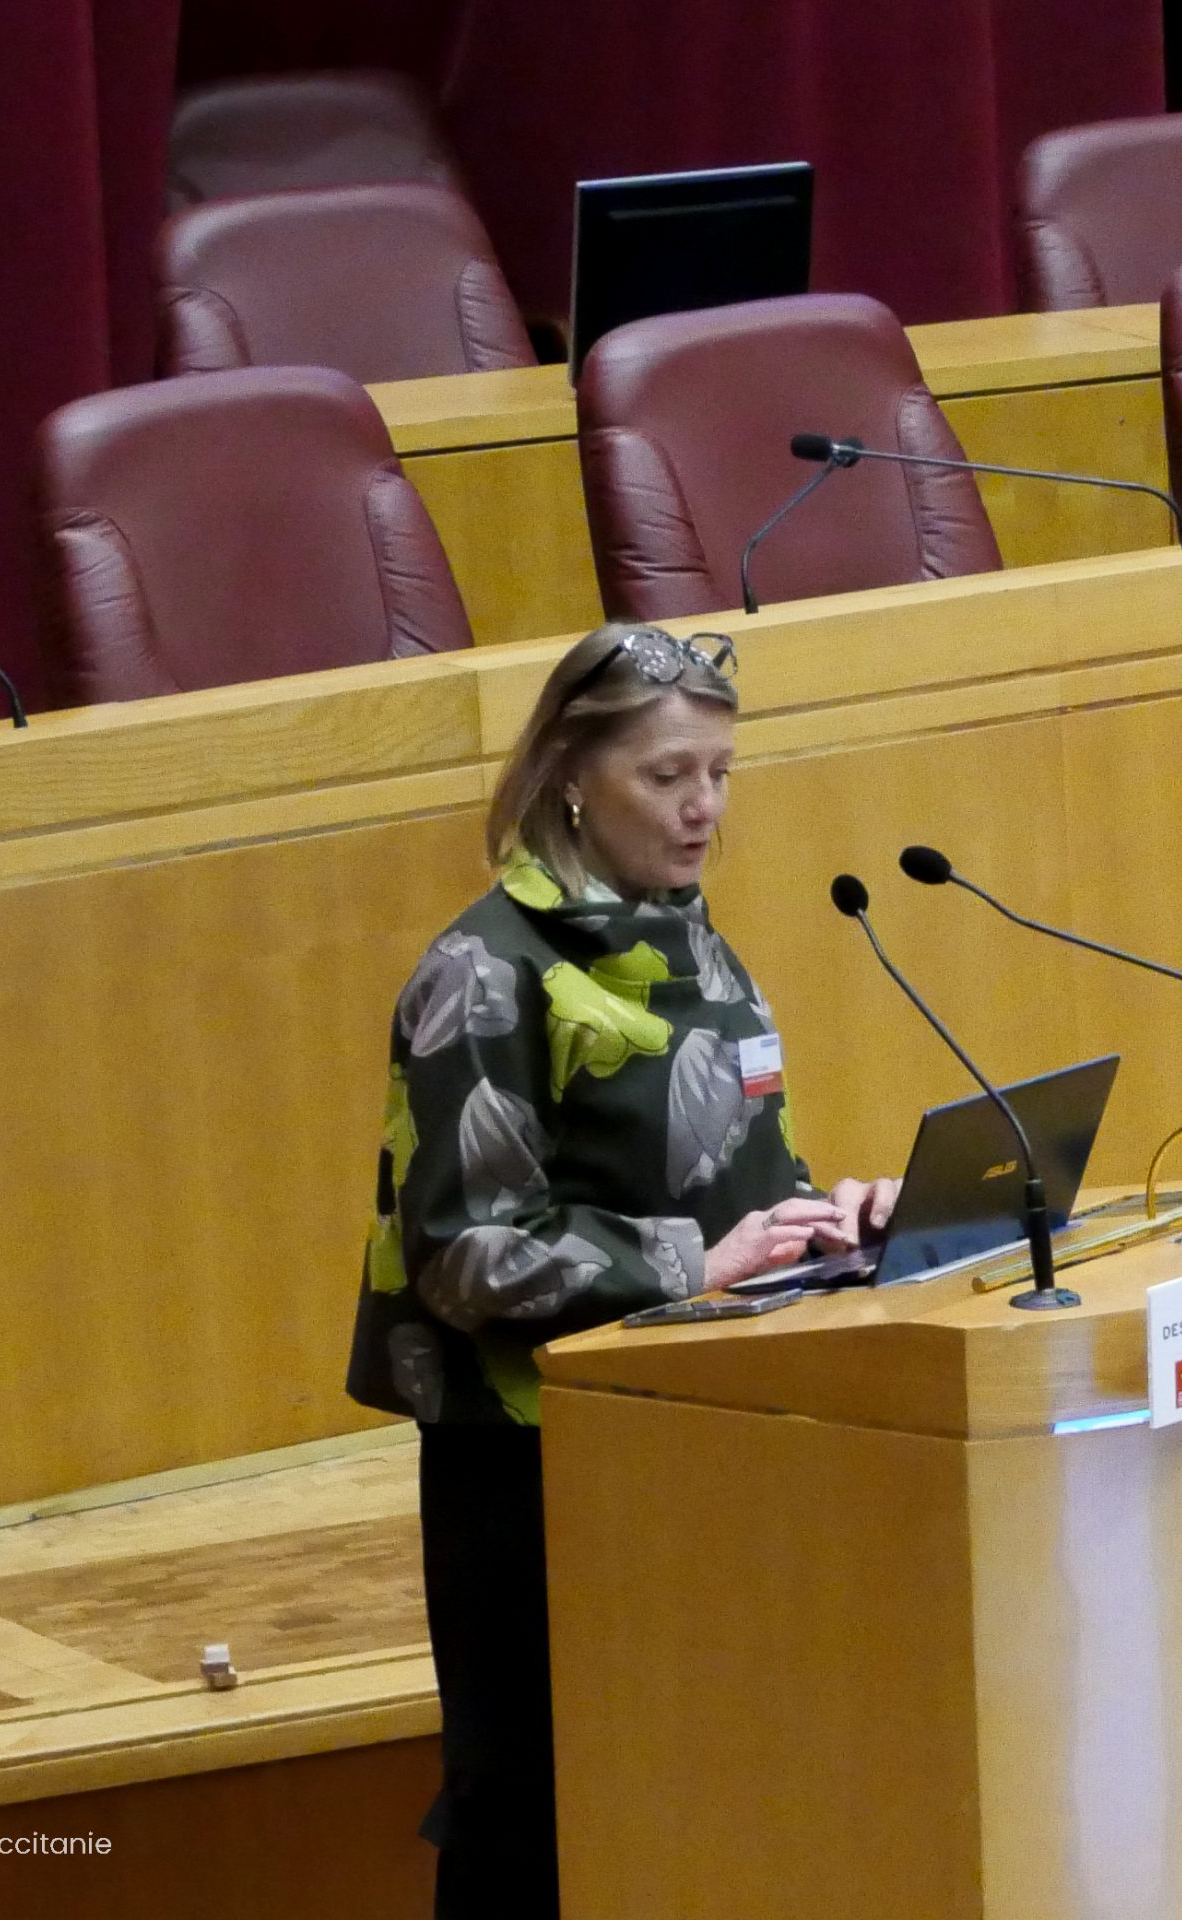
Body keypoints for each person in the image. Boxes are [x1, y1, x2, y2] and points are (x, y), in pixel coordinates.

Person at [346, 621, 898, 1918]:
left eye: (720, 770)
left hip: (700, 1436)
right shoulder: (485, 973)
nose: (705, 806)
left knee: (699, 1795)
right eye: (668, 776)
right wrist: (692, 1262)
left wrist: (835, 1224)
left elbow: (732, 1181)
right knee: (537, 1823)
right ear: (573, 774)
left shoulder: (683, 934)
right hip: (537, 1466)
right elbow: (462, 1253)